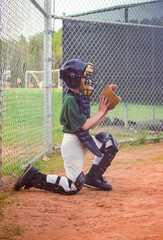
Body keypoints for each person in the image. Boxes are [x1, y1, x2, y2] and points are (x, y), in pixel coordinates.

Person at [14, 59, 119, 195]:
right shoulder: (70, 100)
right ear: (73, 79)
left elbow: (91, 126)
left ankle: (93, 178)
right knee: (73, 186)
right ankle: (34, 176)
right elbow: (84, 126)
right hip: (73, 145)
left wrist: (106, 111)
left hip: (83, 139)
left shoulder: (79, 97)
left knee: (109, 142)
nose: (88, 80)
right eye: (85, 77)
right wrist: (99, 111)